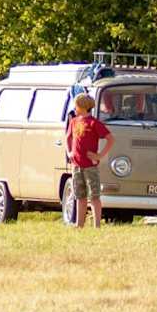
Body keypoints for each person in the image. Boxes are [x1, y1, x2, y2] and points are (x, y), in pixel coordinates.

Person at [64, 94, 110, 229]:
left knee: (94, 196)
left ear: (82, 107)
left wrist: (99, 155)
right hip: (77, 165)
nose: (74, 108)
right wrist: (69, 152)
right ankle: (79, 225)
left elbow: (110, 139)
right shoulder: (74, 122)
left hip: (91, 166)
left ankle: (97, 226)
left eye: (76, 105)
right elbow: (68, 138)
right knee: (80, 195)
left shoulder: (94, 123)